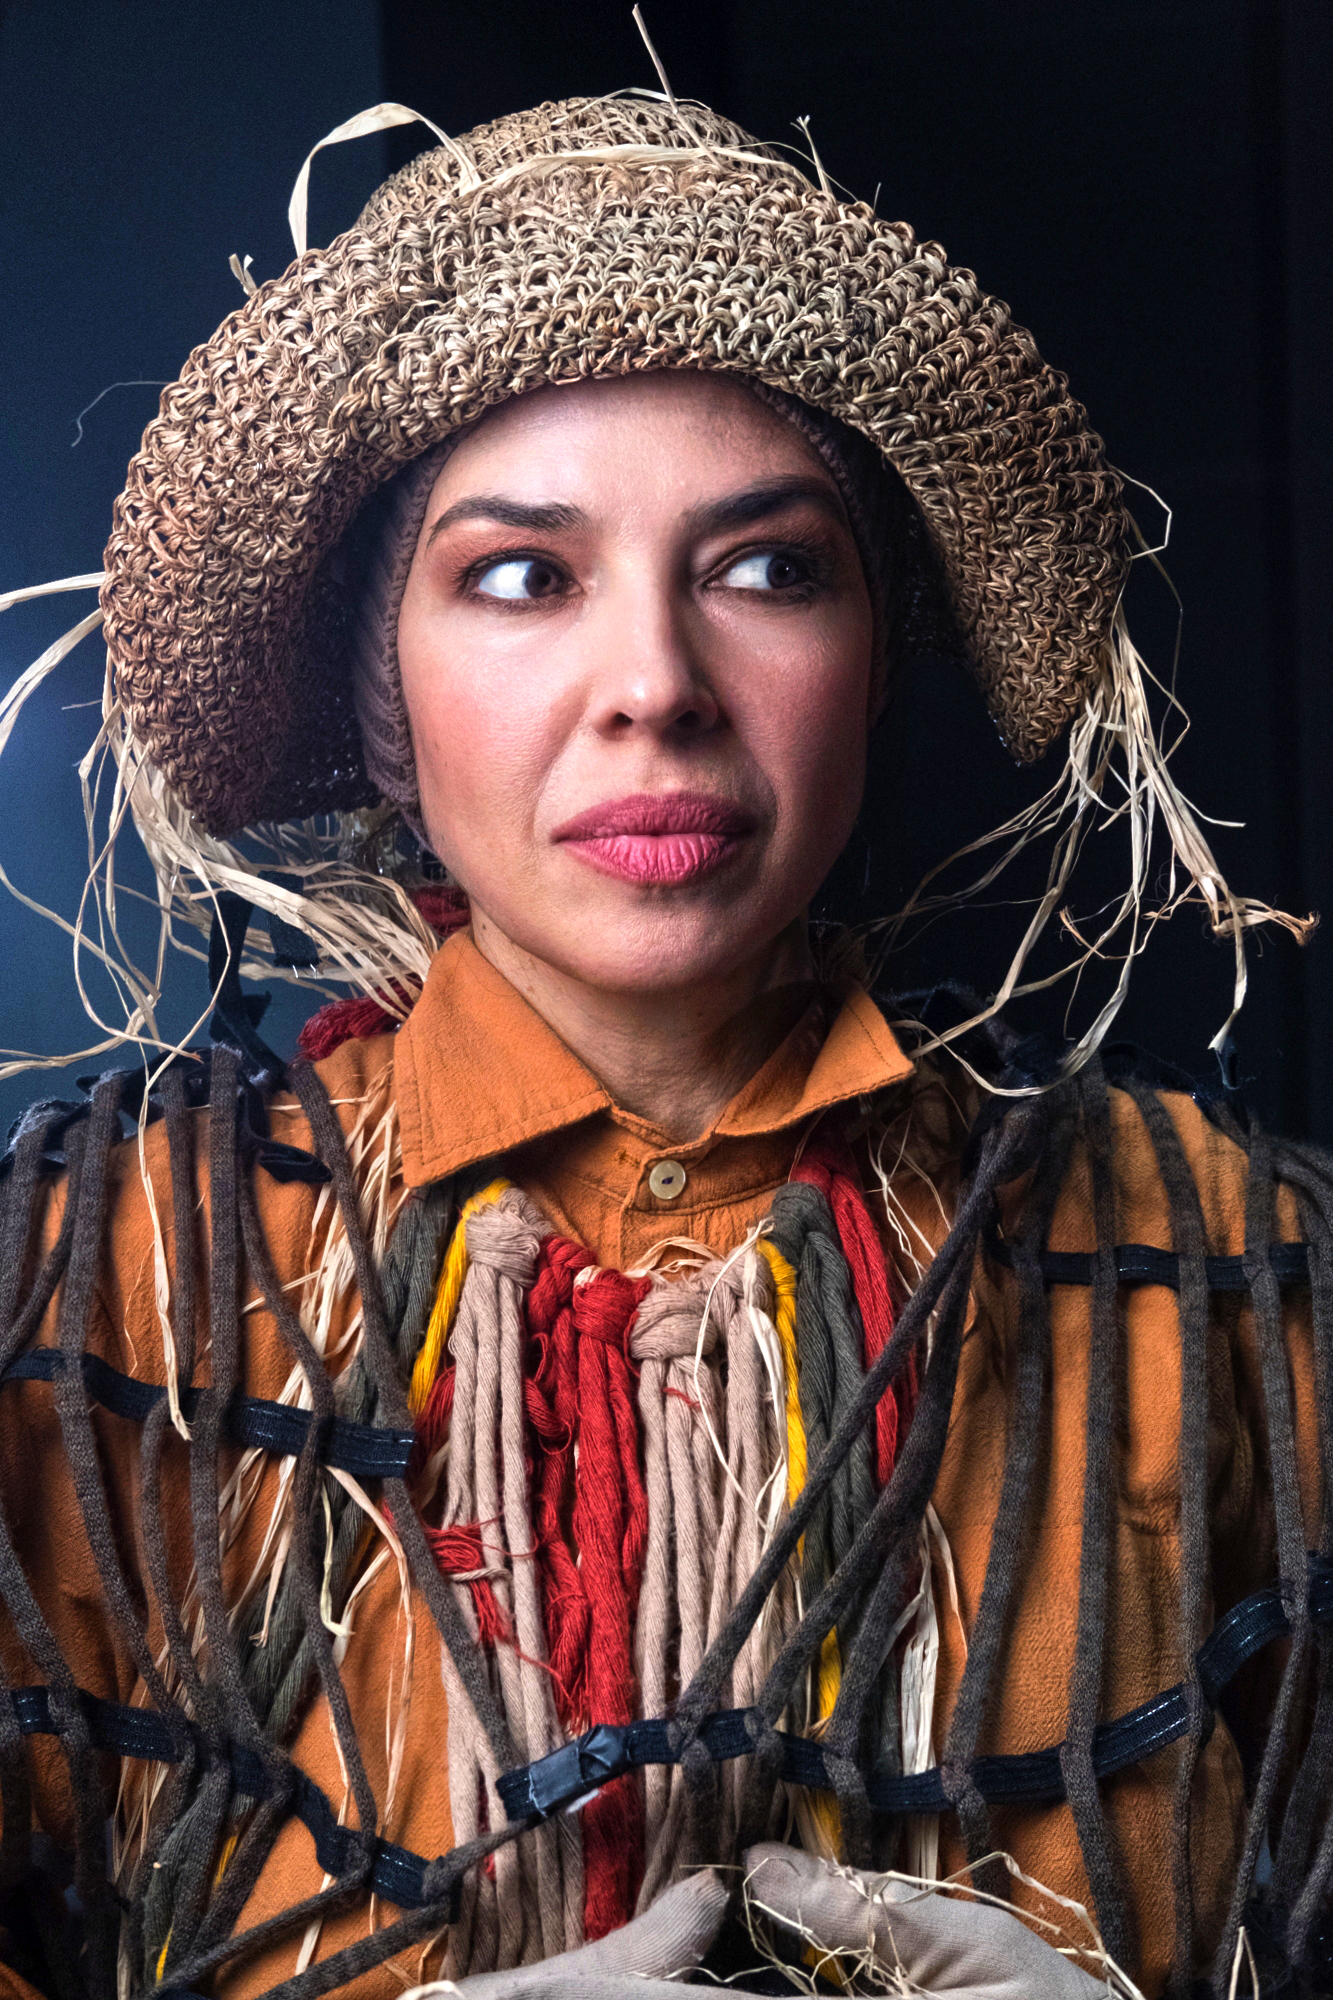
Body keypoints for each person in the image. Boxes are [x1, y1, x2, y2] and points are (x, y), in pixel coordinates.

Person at [0, 88, 1327, 2000]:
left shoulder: (1216, 1261)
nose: (655, 687)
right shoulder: (113, 1281)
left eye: (767, 568)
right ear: (382, 709)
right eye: (521, 576)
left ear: (874, 660)